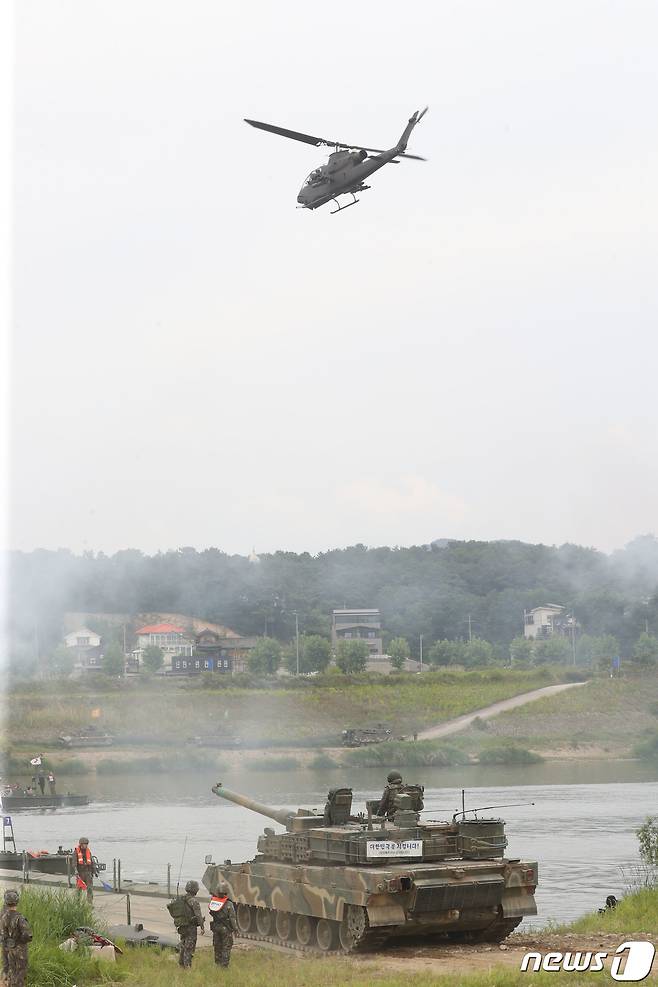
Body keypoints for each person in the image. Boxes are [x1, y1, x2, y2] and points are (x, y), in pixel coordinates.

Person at [0, 889, 32, 987]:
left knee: (10, 971)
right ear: (17, 901)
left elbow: (3, 935)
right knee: (20, 974)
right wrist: (19, 941)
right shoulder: (20, 918)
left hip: (9, 949)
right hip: (20, 951)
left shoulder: (4, 917)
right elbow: (28, 936)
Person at [171, 880, 205, 968]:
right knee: (189, 947)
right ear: (195, 889)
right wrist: (202, 926)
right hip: (191, 927)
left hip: (182, 926)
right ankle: (187, 966)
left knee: (183, 945)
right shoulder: (194, 901)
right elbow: (198, 915)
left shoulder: (181, 899)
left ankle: (181, 964)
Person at [209, 882, 238, 968]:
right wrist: (235, 928)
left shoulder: (213, 902)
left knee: (217, 945)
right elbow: (232, 918)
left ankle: (217, 963)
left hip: (216, 927)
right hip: (226, 929)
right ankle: (224, 966)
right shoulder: (229, 904)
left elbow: (211, 912)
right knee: (226, 947)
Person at [73, 837, 98, 901]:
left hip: (88, 873)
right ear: (81, 844)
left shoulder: (88, 851)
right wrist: (76, 870)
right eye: (84, 844)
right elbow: (74, 862)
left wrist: (95, 871)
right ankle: (77, 902)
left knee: (90, 889)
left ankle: (89, 903)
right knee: (79, 889)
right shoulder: (76, 852)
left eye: (86, 844)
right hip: (80, 873)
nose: (86, 845)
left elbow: (92, 862)